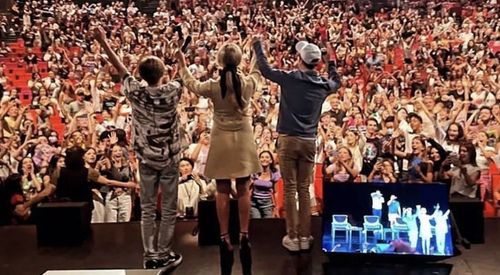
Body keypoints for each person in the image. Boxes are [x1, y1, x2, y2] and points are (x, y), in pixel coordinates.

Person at [93, 27, 183, 271]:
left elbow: (119, 66)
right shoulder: (173, 90)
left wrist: (102, 40)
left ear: (140, 75)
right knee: (168, 208)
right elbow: (181, 74)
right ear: (163, 73)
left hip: (145, 159)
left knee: (146, 208)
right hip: (169, 159)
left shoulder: (135, 90)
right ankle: (164, 252)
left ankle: (150, 254)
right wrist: (181, 58)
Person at [175, 41, 261, 275]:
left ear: (219, 62)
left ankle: (224, 237)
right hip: (243, 137)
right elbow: (256, 70)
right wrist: (256, 53)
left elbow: (191, 84)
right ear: (239, 60)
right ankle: (244, 233)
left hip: (221, 138)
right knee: (244, 186)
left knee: (222, 187)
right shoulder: (248, 83)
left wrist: (182, 63)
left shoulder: (214, 85)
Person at [252, 37, 340, 252]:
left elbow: (264, 69)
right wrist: (331, 61)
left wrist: (257, 46)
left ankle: (292, 237)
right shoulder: (323, 85)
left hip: (288, 139)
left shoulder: (289, 78)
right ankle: (305, 236)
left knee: (290, 189)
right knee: (303, 189)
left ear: (300, 59)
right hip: (309, 141)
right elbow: (336, 81)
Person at [250, 150, 281, 219]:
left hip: (267, 204)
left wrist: (276, 207)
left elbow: (275, 192)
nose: (264, 159)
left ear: (271, 160)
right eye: (262, 157)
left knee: (267, 225)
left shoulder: (274, 173)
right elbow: (250, 189)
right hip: (254, 203)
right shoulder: (255, 172)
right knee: (257, 223)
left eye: (267, 157)